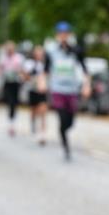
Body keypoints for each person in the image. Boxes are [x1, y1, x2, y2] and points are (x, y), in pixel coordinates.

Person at [42, 22, 89, 161]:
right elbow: (45, 70)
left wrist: (86, 85)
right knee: (62, 117)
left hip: (72, 90)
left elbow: (84, 69)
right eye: (60, 34)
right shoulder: (51, 51)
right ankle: (65, 145)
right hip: (58, 89)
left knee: (70, 120)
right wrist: (43, 83)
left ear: (69, 35)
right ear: (57, 35)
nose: (63, 36)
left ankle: (65, 131)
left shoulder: (76, 50)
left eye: (66, 33)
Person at [0, 41, 26, 137]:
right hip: (7, 82)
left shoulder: (19, 58)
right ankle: (10, 122)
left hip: (16, 83)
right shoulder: (3, 58)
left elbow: (23, 70)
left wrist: (19, 72)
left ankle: (12, 122)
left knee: (14, 102)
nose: (9, 50)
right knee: (10, 101)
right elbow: (0, 69)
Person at [25, 44, 49, 145]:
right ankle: (33, 124)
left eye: (41, 52)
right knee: (34, 110)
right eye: (37, 52)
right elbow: (25, 76)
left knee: (43, 111)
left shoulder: (46, 64)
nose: (39, 54)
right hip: (32, 90)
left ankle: (42, 134)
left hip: (42, 91)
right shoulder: (30, 64)